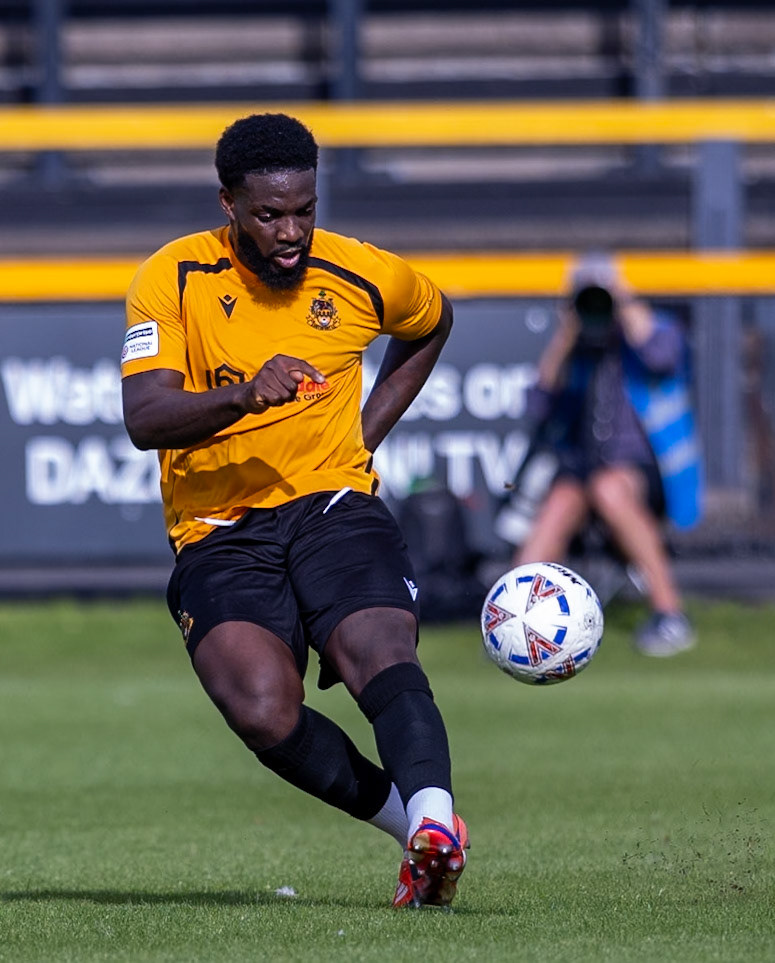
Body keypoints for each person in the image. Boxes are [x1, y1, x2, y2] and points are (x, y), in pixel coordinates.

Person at [121, 112, 464, 908]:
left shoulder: (360, 273)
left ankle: (435, 821)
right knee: (262, 709)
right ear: (227, 205)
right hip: (218, 528)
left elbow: (432, 322)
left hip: (333, 502)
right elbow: (144, 417)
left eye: (303, 210)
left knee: (376, 647)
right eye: (268, 215)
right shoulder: (171, 277)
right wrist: (243, 394)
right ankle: (407, 829)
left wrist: (363, 437)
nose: (290, 232)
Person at [514, 254, 701, 657]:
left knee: (609, 488)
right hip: (583, 470)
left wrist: (623, 301)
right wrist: (567, 333)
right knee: (559, 502)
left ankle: (671, 615)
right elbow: (537, 406)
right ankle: (513, 621)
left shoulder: (648, 332)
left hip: (646, 470)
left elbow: (662, 357)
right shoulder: (575, 343)